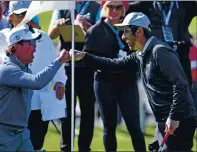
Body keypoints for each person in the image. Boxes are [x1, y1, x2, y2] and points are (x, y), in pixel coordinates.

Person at [71, 12, 197, 151]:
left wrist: (174, 117)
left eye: (126, 31)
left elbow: (180, 84)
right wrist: (84, 56)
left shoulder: (159, 52)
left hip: (179, 119)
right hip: (165, 120)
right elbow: (115, 64)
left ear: (139, 32)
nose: (123, 37)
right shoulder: (139, 54)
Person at [0, 1, 67, 151]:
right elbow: (36, 81)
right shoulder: (2, 41)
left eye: (27, 13)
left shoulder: (41, 37)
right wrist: (60, 60)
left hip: (35, 110)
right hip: (6, 123)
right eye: (21, 13)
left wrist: (60, 81)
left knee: (37, 143)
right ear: (11, 15)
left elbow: (50, 60)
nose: (25, 17)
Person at [81, 1, 146, 151]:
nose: (114, 10)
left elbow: (139, 51)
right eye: (110, 6)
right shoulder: (95, 30)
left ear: (124, 9)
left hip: (127, 82)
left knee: (134, 126)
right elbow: (87, 60)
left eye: (118, 7)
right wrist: (110, 63)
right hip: (104, 82)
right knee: (109, 127)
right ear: (104, 8)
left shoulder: (130, 28)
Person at [48, 1, 101, 151]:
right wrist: (57, 26)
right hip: (66, 66)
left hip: (88, 66)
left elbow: (101, 34)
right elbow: (50, 35)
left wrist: (86, 26)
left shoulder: (96, 7)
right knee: (66, 110)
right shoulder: (61, 7)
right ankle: (66, 147)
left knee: (88, 110)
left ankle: (85, 148)